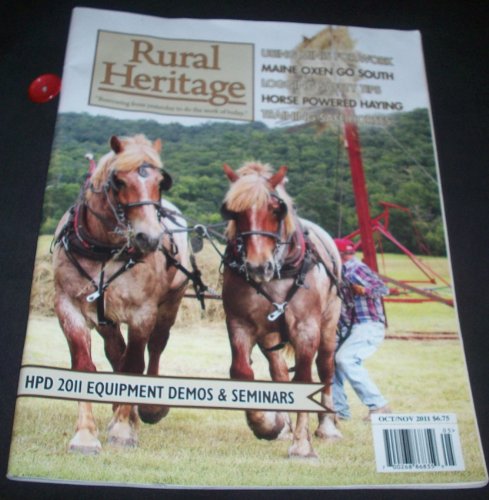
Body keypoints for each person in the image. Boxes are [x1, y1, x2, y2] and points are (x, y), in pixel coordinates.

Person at [332, 238, 391, 421]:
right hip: (350, 326)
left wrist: (365, 291)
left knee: (345, 359)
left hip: (368, 324)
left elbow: (382, 289)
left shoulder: (355, 268)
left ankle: (379, 405)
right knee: (330, 363)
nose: (350, 257)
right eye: (348, 254)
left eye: (350, 254)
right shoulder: (339, 271)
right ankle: (339, 411)